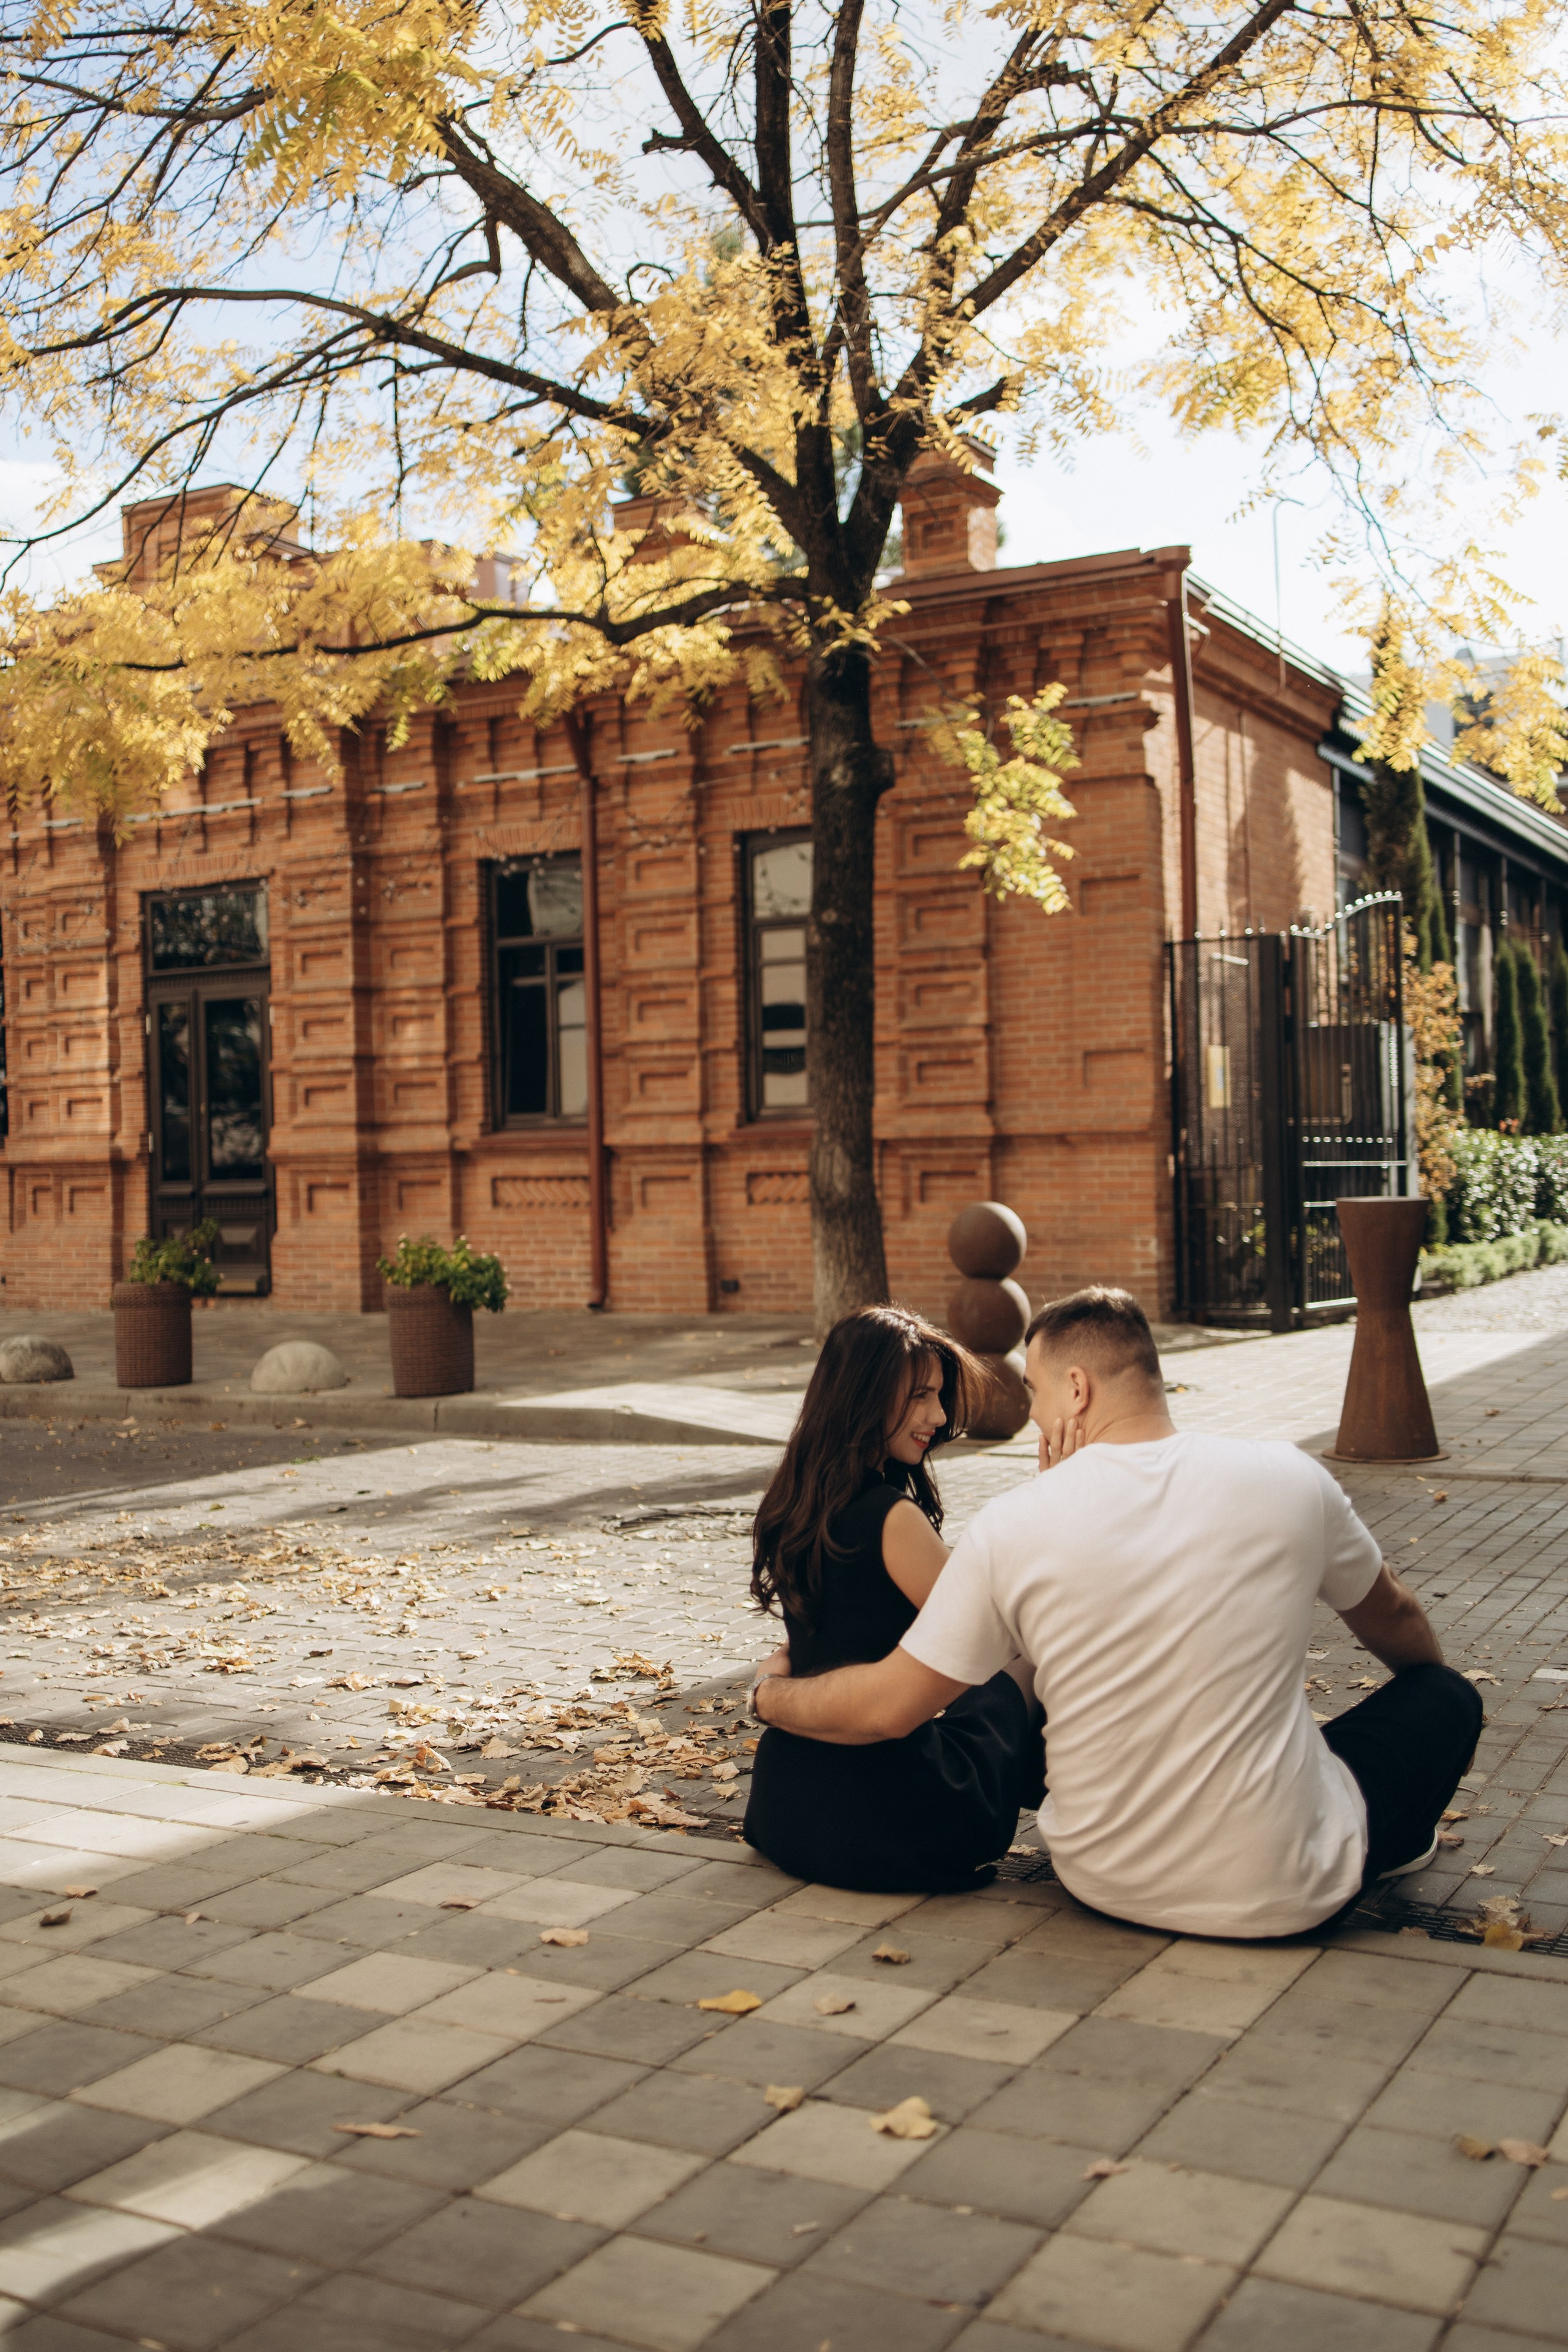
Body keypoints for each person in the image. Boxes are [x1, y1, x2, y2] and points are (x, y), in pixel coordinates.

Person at [749, 1286, 1481, 1939]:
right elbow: (1395, 1615)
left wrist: (772, 1692)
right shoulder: (1290, 1475)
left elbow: (896, 1695)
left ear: (1075, 1389)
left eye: (1032, 1390)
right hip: (1286, 1892)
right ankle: (1384, 1838)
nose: (1029, 1412)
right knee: (1444, 1697)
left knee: (1029, 1673)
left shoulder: (1009, 1522)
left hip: (1099, 1877)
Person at [742, 1304, 1044, 1893]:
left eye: (938, 1396)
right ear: (863, 1396)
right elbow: (1000, 1631)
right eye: (920, 1396)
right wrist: (1059, 1493)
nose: (939, 1415)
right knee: (1029, 1662)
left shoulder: (790, 1503)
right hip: (892, 1819)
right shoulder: (892, 1518)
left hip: (788, 1805)